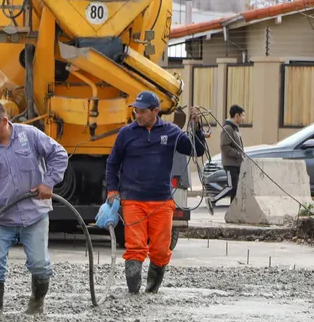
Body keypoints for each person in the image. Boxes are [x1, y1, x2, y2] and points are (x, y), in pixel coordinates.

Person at [0, 100, 68, 316]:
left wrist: (48, 182)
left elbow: (59, 154)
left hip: (34, 214)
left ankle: (36, 305)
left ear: (4, 121)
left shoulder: (29, 136)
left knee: (40, 266)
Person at [104, 91, 206, 295]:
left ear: (155, 111)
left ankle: (152, 290)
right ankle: (133, 292)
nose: (138, 115)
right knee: (135, 247)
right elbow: (112, 163)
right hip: (133, 200)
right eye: (136, 111)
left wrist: (197, 127)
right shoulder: (126, 133)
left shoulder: (172, 132)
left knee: (160, 250)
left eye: (142, 111)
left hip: (161, 201)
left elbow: (197, 150)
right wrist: (113, 190)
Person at [207, 104, 246, 211]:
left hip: (237, 164)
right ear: (236, 116)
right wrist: (238, 154)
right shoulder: (228, 128)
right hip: (230, 164)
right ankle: (212, 200)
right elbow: (224, 147)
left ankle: (234, 211)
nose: (243, 118)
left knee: (236, 188)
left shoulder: (235, 129)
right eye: (242, 116)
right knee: (232, 187)